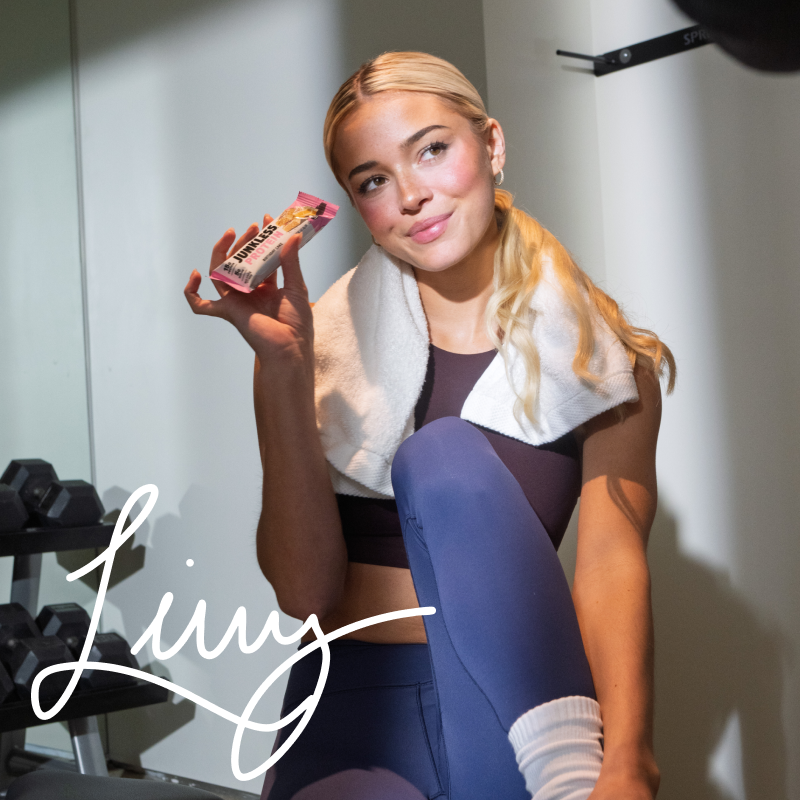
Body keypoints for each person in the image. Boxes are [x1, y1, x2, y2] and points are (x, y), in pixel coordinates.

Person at [184, 52, 675, 800]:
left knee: (441, 457)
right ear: (356, 206)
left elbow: (611, 568)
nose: (411, 196)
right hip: (354, 702)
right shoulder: (317, 352)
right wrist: (284, 370)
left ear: (492, 146)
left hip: (519, 699)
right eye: (374, 180)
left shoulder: (604, 362)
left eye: (432, 150)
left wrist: (628, 764)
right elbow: (304, 593)